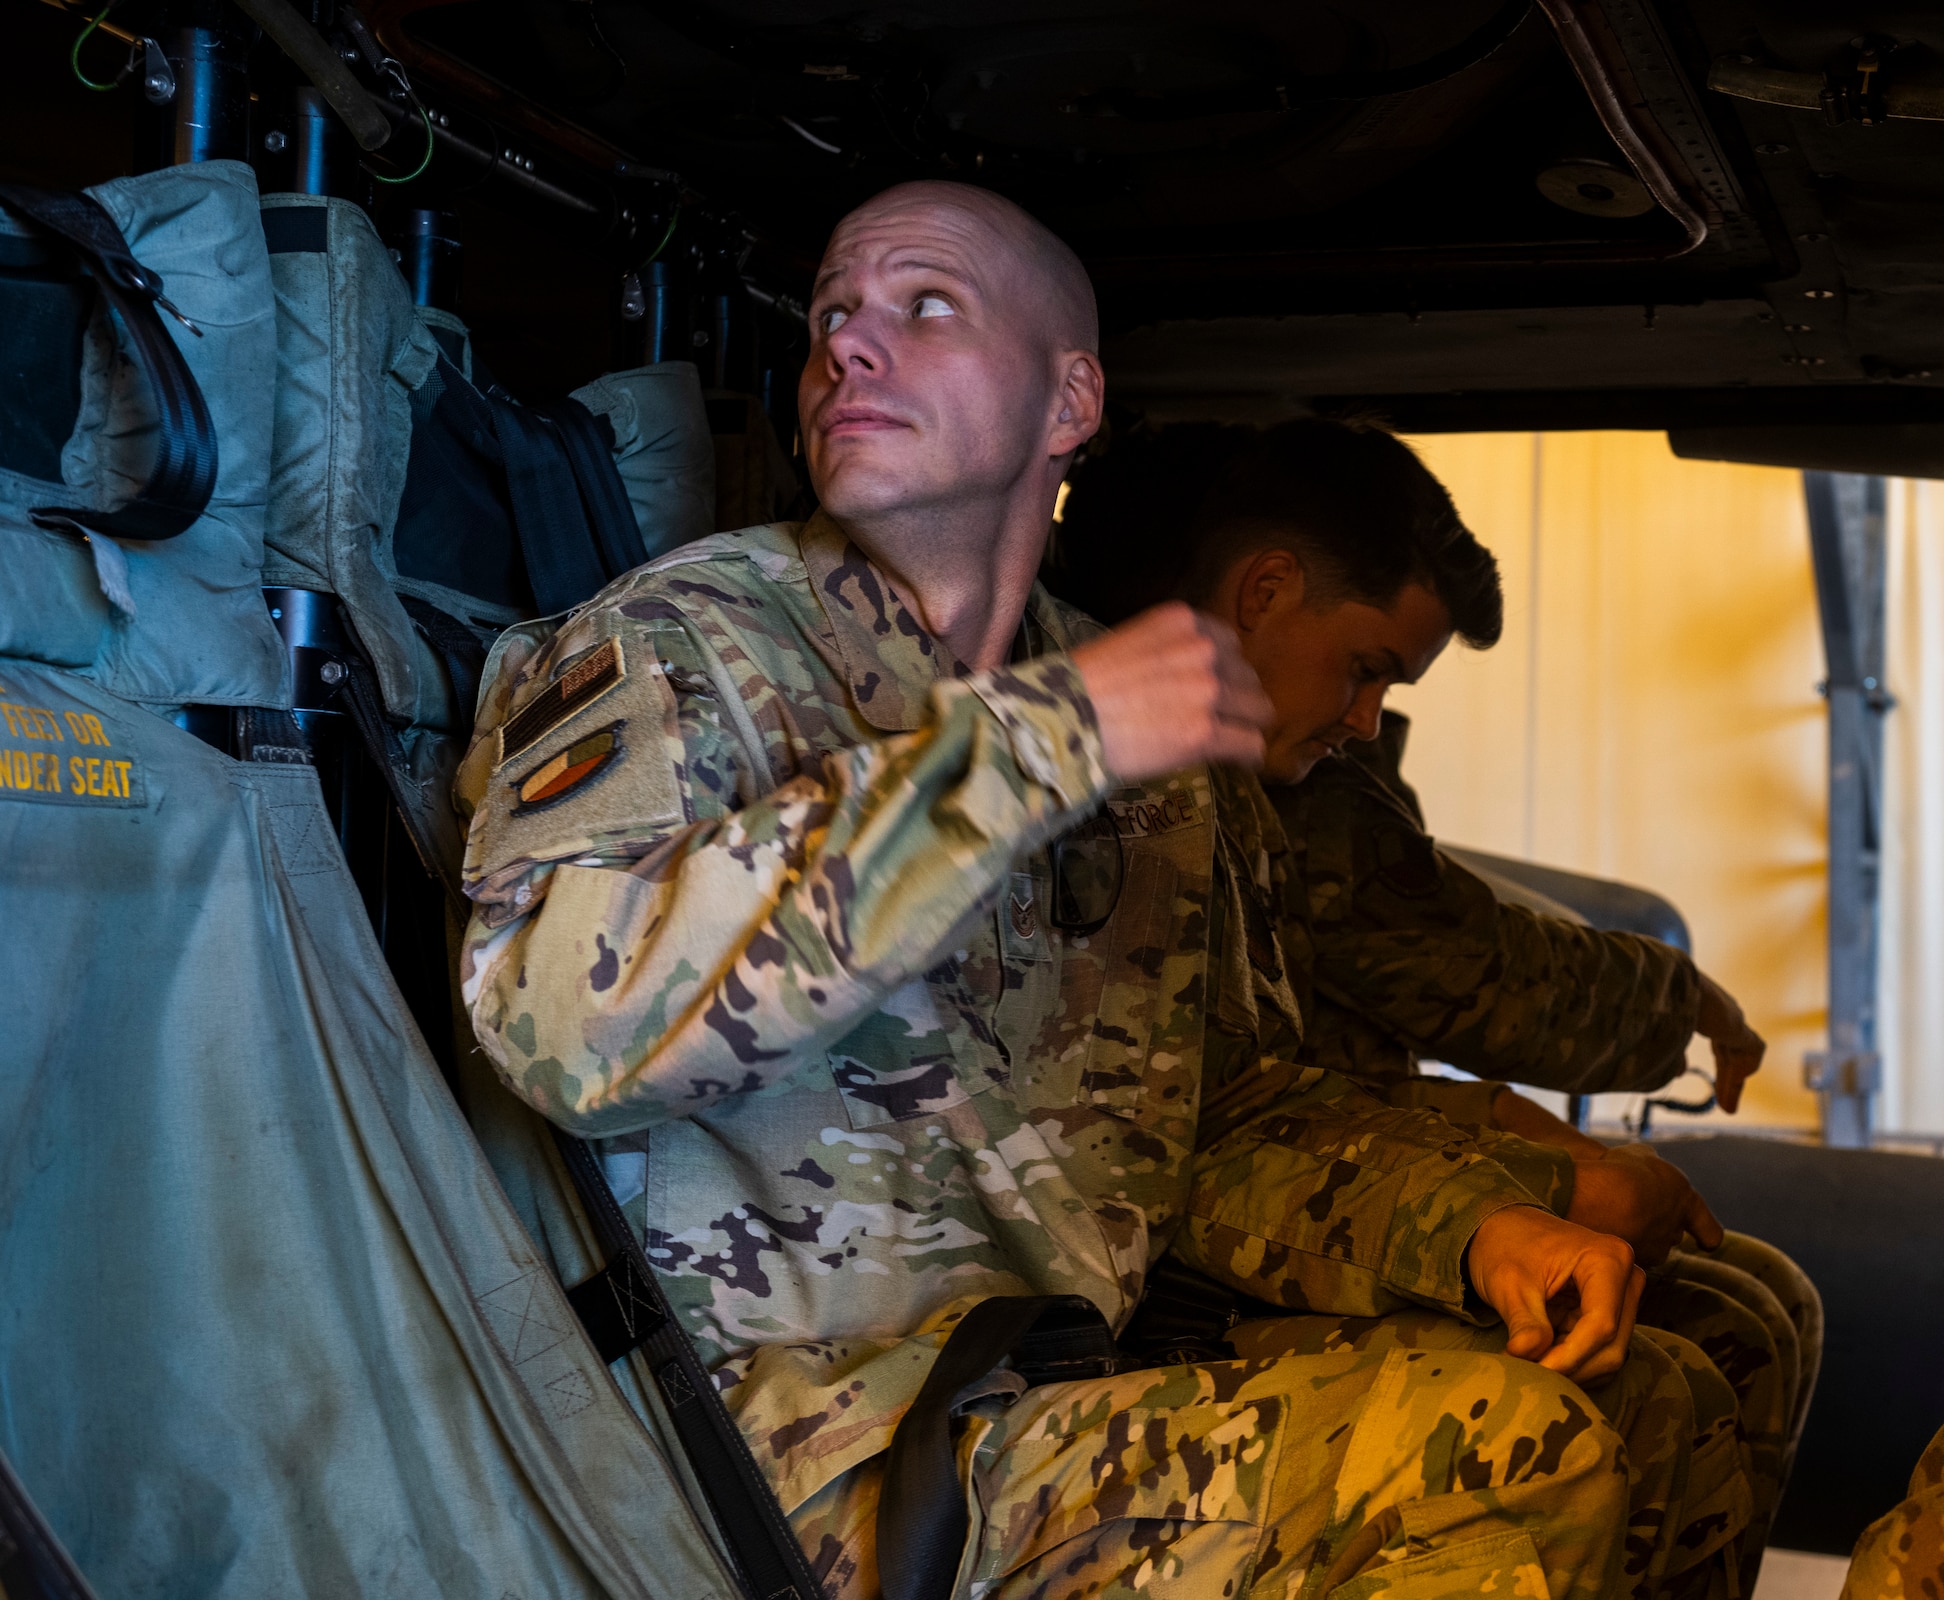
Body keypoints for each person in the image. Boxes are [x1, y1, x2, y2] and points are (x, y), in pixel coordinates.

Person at [459, 182, 1717, 1599]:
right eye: (832, 314)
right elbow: (560, 1032)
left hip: (1031, 1381)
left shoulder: (1131, 711)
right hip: (755, 1433)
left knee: (1640, 1399)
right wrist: (1029, 751)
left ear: (1072, 401)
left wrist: (1476, 1222)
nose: (850, 347)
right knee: (1497, 1444)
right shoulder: (680, 645)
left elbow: (1215, 1117)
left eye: (925, 308)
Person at [1059, 417, 1821, 1588]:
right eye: (1362, 668)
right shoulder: (1114, 790)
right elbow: (1433, 983)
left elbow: (1253, 1095)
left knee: (1696, 1345)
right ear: (1263, 587)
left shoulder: (1218, 797)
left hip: (1214, 1249)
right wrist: (1510, 1192)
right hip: (1114, 1316)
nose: (1362, 721)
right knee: (1601, 1405)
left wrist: (1497, 1168)